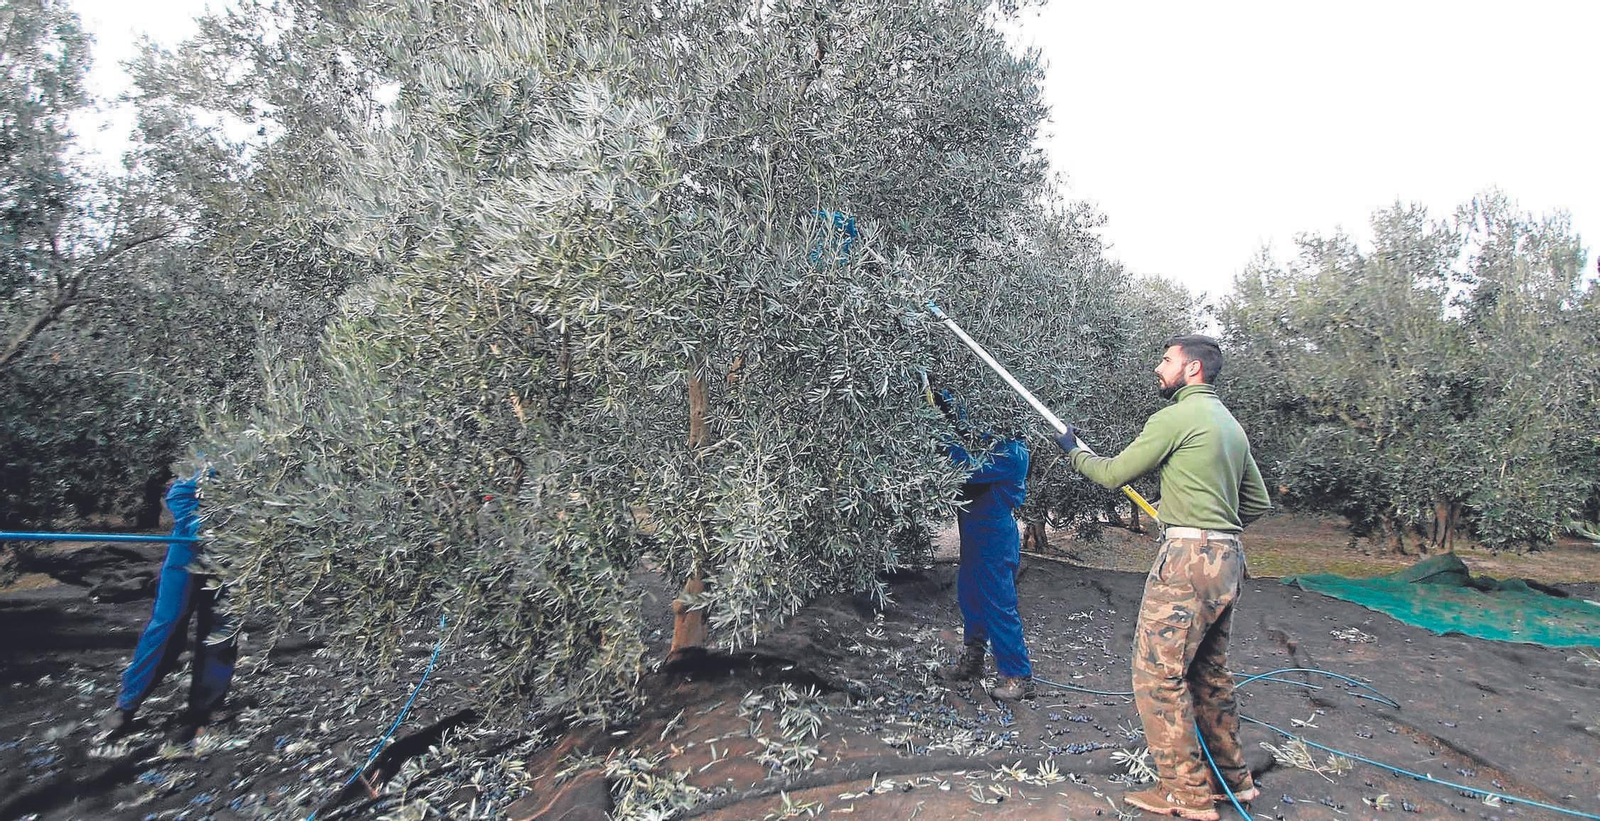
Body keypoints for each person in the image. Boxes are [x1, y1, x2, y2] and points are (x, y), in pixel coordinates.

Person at [1056, 335, 1272, 821]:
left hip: (1188, 561)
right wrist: (1211, 519)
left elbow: (1112, 474)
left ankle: (1185, 793)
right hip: (1229, 559)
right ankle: (1230, 780)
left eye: (1167, 360)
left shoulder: (1175, 417)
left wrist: (1073, 450)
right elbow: (1257, 503)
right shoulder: (1230, 426)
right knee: (1208, 673)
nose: (1159, 368)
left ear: (1192, 369)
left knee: (1157, 674)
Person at [101, 477, 238, 743]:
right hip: (187, 551)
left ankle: (207, 705)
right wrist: (204, 523)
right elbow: (178, 496)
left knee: (222, 627)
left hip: (230, 554)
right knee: (167, 624)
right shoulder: (209, 456)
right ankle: (127, 704)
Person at [937, 390, 1035, 702]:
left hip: (995, 538)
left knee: (999, 604)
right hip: (975, 536)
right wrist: (944, 399)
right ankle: (973, 662)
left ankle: (1018, 676)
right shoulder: (996, 441)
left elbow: (965, 464)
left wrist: (937, 438)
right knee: (970, 598)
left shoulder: (1013, 453)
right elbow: (966, 428)